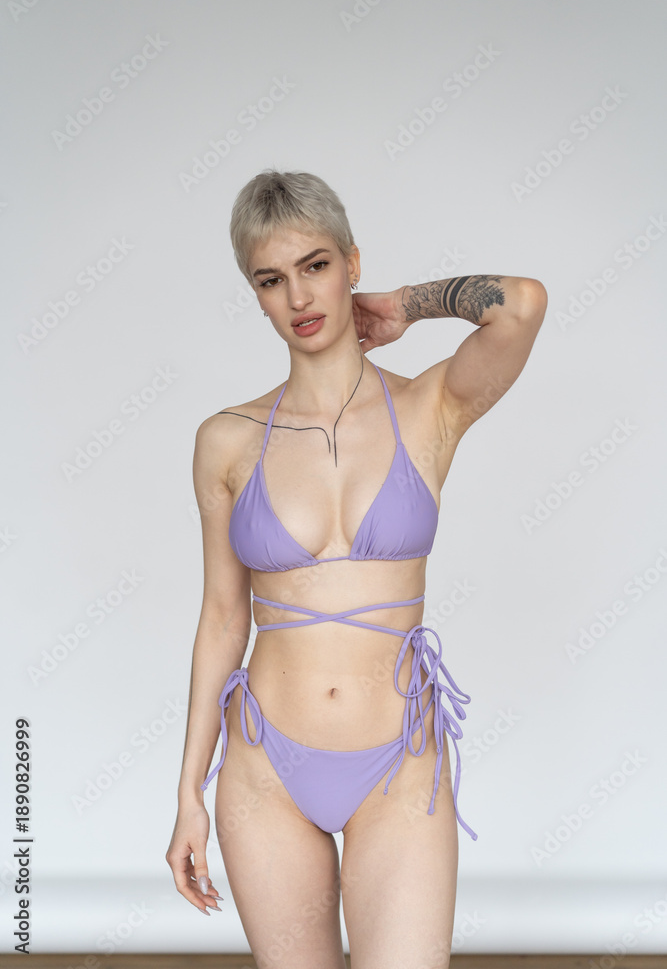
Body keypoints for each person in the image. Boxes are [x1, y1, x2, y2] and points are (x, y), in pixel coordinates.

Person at [166, 169, 547, 968]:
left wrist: (403, 305)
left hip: (398, 765)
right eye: (271, 279)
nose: (298, 296)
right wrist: (187, 794)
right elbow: (222, 619)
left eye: (315, 265)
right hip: (265, 770)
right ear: (255, 294)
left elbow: (519, 302)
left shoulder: (428, 409)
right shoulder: (225, 440)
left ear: (351, 263)